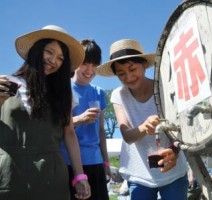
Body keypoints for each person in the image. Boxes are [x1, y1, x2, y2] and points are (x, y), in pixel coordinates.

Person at [0, 25, 90, 200]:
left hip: (52, 176)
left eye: (60, 58)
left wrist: (80, 176)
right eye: (49, 52)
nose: (53, 60)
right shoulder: (6, 83)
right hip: (9, 174)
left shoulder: (63, 94)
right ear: (36, 51)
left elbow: (70, 134)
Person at [96, 39, 188, 200]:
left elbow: (182, 128)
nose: (129, 77)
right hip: (139, 174)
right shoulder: (119, 95)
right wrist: (144, 127)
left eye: (132, 69)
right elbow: (127, 135)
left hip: (173, 171)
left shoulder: (164, 89)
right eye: (121, 73)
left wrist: (174, 150)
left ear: (144, 65)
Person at [60, 39, 110, 200]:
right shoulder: (62, 88)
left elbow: (101, 131)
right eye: (85, 64)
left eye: (94, 65)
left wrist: (106, 163)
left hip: (95, 161)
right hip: (69, 164)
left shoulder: (99, 92)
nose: (90, 70)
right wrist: (79, 119)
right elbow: (55, 126)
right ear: (75, 63)